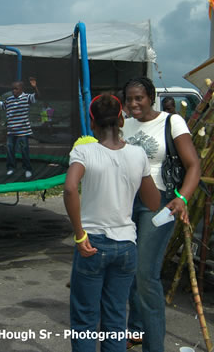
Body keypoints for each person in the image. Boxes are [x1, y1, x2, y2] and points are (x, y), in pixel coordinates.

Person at [64, 94, 160, 352]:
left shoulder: (83, 151)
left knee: (85, 318)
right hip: (126, 246)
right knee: (116, 319)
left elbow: (71, 188)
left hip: (92, 244)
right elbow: (153, 203)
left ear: (91, 122)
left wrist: (79, 234)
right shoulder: (137, 154)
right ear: (121, 119)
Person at [122, 77, 200, 352]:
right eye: (129, 99)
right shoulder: (125, 124)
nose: (133, 104)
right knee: (130, 269)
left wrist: (182, 198)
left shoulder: (171, 122)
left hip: (160, 204)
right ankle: (136, 331)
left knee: (145, 273)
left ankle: (154, 346)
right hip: (125, 203)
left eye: (139, 98)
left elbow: (193, 165)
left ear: (151, 98)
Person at [0, 76, 40, 178]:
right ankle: (11, 168)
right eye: (12, 89)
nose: (13, 91)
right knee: (10, 150)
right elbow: (3, 106)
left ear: (22, 89)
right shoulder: (9, 99)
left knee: (24, 150)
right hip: (11, 131)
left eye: (16, 89)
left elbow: (37, 96)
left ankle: (28, 169)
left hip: (23, 131)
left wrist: (35, 87)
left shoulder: (27, 97)